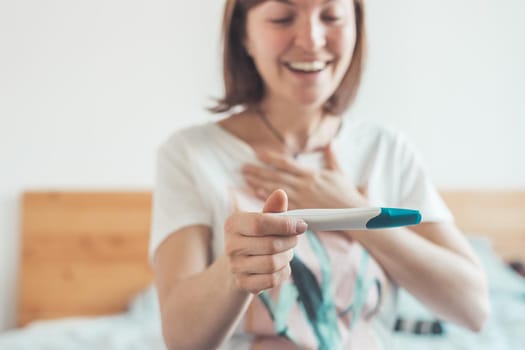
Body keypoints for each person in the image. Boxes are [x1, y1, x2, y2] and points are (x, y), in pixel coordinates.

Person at [149, 0, 490, 349]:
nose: (311, 40)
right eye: (282, 18)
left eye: (332, 17)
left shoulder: (386, 151)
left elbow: (474, 307)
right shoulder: (189, 155)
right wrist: (235, 269)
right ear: (243, 35)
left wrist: (347, 206)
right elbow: (181, 339)